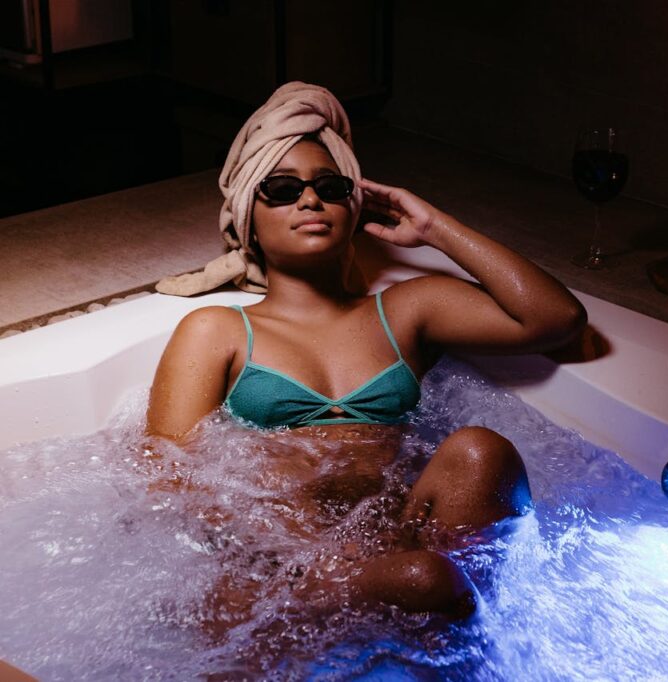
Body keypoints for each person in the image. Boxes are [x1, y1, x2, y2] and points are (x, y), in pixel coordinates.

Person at [144, 82, 586, 634]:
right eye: (281, 190)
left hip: (398, 533)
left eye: (330, 186)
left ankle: (454, 634)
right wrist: (299, 549)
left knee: (481, 452)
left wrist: (433, 228)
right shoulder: (219, 330)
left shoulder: (405, 310)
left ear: (353, 207)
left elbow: (554, 319)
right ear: (247, 219)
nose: (310, 200)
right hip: (279, 559)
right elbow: (168, 477)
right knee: (421, 581)